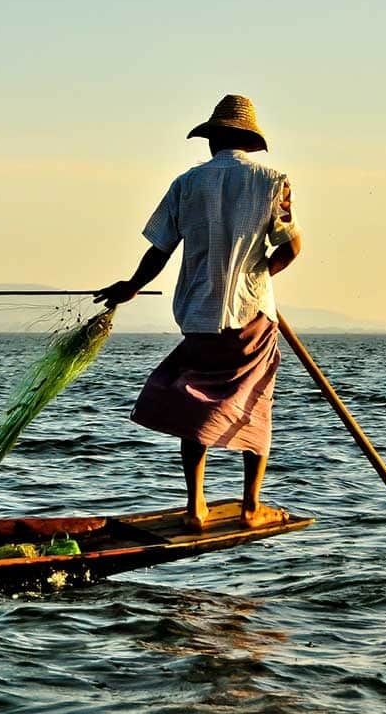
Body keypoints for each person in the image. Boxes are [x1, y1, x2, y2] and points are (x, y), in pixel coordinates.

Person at [95, 94, 302, 532]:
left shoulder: (187, 184)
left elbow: (160, 249)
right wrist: (262, 274)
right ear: (247, 140)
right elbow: (291, 246)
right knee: (255, 401)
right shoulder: (274, 182)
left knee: (194, 407)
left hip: (200, 315)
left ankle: (196, 507)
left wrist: (131, 287)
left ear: (213, 140)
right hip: (254, 315)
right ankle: (251, 506)